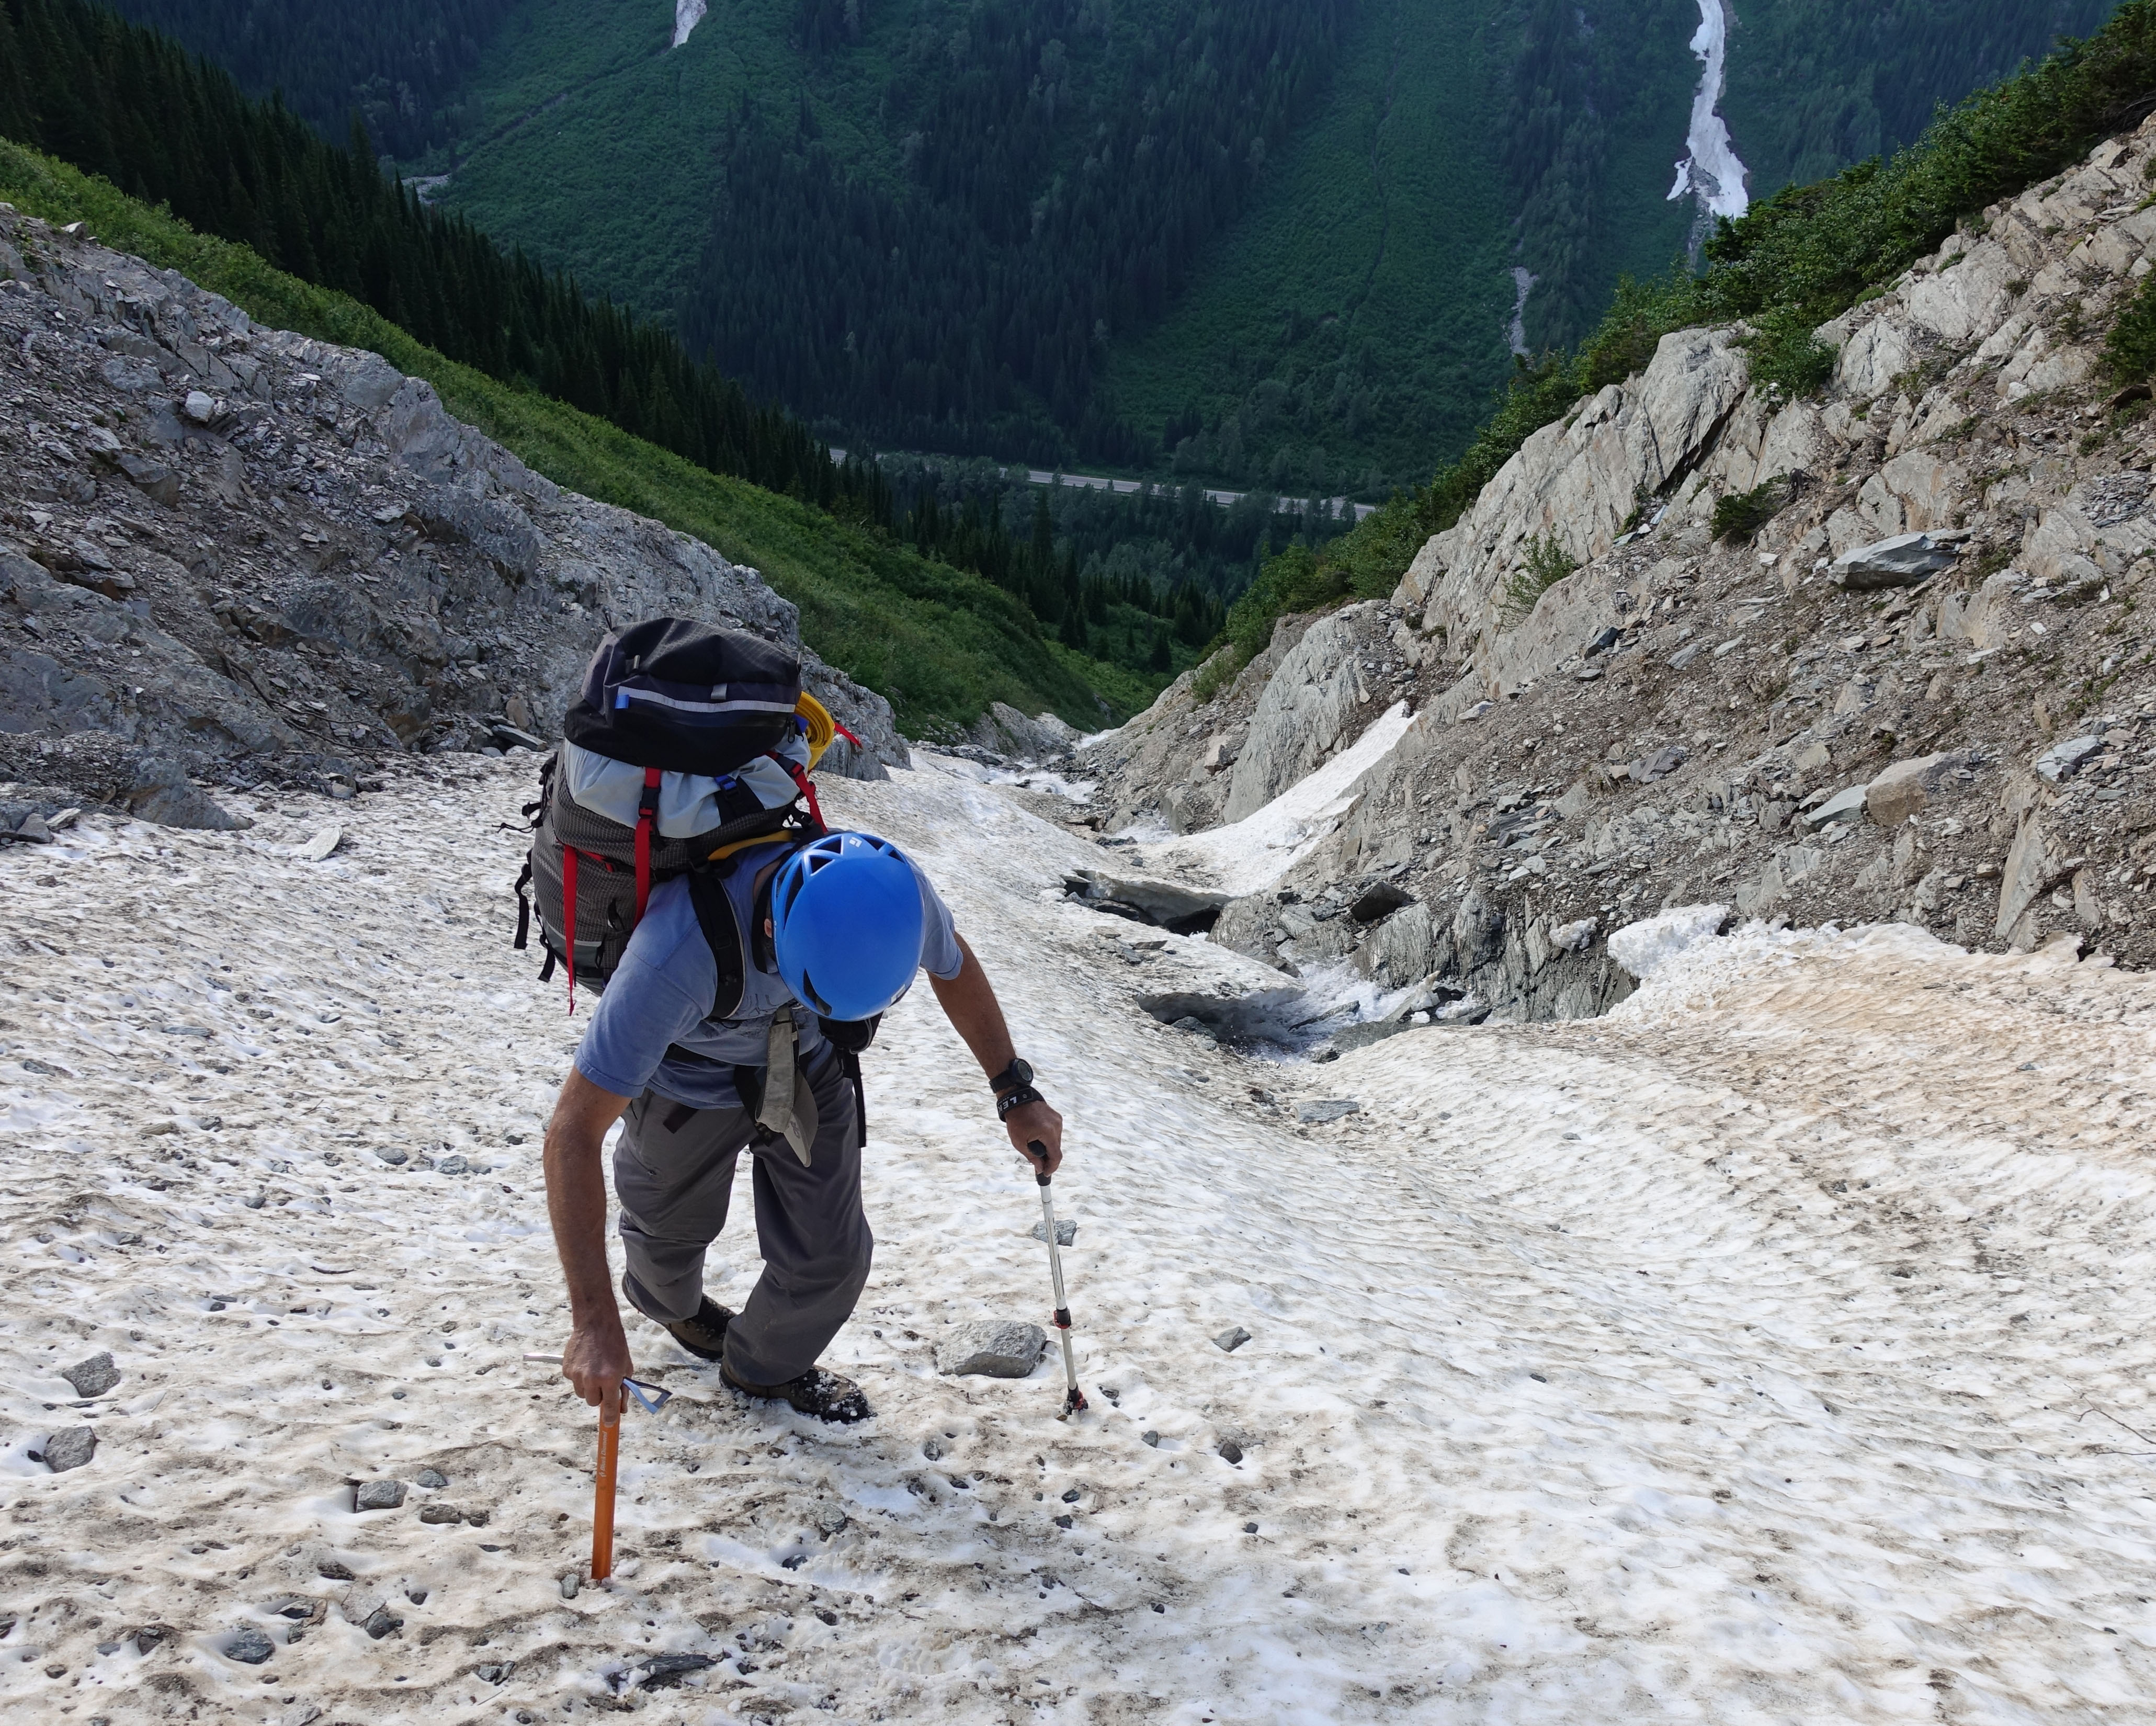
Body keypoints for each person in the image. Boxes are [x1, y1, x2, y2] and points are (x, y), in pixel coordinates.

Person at [541, 829, 1063, 1423]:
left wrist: (1013, 1089)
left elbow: (953, 963)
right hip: (687, 1084)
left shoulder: (894, 892)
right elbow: (571, 1134)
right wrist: (593, 1322)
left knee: (833, 1254)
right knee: (665, 1243)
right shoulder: (674, 956)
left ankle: (763, 1368)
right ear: (771, 929)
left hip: (808, 1065)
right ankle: (672, 1307)